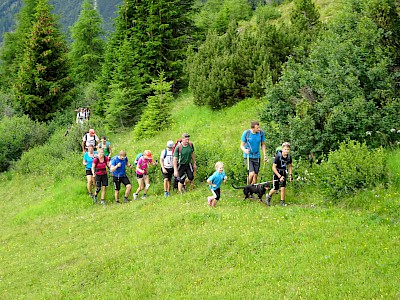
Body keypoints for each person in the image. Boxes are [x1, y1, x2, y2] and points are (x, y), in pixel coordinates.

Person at [265, 142, 293, 207]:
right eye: (285, 149)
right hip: (277, 172)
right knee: (276, 188)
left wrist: (290, 175)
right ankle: (268, 196)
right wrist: (279, 176)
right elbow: (273, 167)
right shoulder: (278, 156)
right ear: (282, 149)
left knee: (283, 187)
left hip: (283, 172)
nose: (286, 151)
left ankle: (282, 202)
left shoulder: (289, 157)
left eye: (288, 149)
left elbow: (290, 166)